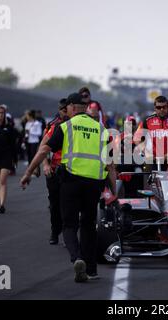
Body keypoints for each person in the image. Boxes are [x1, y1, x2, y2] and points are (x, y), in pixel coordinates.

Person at [20, 93, 117, 282]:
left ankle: (77, 258)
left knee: (69, 224)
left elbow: (44, 150)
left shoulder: (66, 126)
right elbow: (111, 165)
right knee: (89, 226)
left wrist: (28, 172)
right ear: (86, 108)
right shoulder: (102, 129)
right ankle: (91, 270)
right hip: (94, 184)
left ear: (72, 107)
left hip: (71, 182)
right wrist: (114, 192)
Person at [40, 99, 68, 244]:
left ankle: (68, 233)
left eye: (66, 109)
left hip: (71, 171)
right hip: (54, 170)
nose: (64, 112)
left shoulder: (76, 125)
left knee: (68, 205)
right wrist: (45, 165)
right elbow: (43, 147)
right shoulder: (53, 125)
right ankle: (55, 231)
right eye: (62, 109)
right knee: (55, 205)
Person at [134, 95, 168, 169]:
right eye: (159, 107)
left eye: (164, 107)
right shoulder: (148, 120)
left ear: (167, 107)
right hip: (154, 160)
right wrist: (145, 151)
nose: (161, 109)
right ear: (155, 108)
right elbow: (136, 138)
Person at [24, 110, 43, 176]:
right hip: (28, 142)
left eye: (27, 116)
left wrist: (30, 132)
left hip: (34, 142)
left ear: (30, 116)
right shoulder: (27, 123)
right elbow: (26, 133)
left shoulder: (37, 123)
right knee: (29, 157)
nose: (26, 117)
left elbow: (39, 133)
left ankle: (37, 171)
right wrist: (25, 138)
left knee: (34, 157)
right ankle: (30, 171)